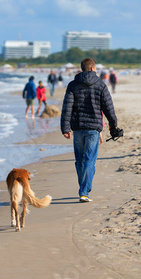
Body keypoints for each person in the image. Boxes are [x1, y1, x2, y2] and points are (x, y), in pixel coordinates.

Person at [61, 58, 118, 203]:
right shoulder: (100, 84)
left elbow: (67, 107)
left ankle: (83, 189)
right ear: (93, 68)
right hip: (92, 128)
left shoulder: (73, 85)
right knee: (89, 160)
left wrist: (65, 128)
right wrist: (113, 124)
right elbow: (108, 106)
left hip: (78, 128)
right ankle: (84, 191)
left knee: (80, 160)